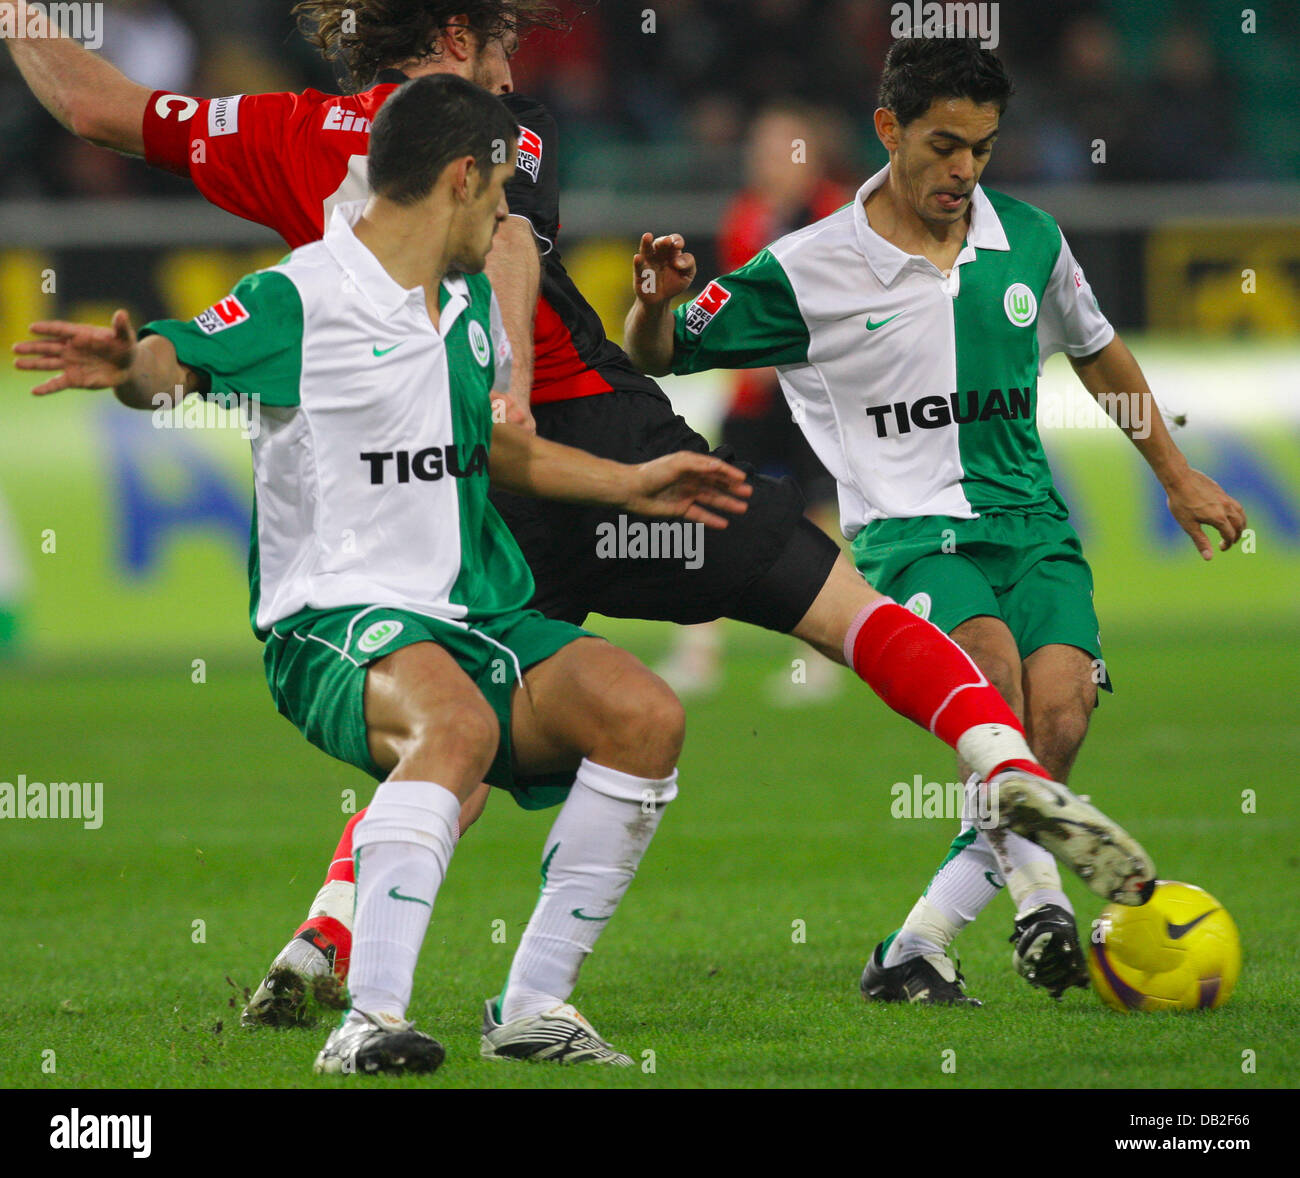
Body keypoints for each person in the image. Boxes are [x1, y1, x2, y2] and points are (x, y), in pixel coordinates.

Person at [4, 3, 1155, 1032]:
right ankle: (994, 751)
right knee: (820, 589)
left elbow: (97, 105)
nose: (514, 81)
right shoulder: (500, 148)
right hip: (568, 428)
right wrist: (513, 381)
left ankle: (335, 933)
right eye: (502, 48)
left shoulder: (278, 134)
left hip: (472, 485)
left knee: (456, 714)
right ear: (457, 45)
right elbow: (504, 247)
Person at [14, 74, 757, 1074]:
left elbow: (493, 449)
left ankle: (534, 1002)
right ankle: (369, 1019)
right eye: (500, 198)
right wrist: (132, 365)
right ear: (461, 178)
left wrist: (629, 482)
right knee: (456, 726)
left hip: (467, 613)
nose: (507, 220)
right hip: (330, 619)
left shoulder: (462, 313)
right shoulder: (301, 294)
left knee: (643, 714)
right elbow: (178, 363)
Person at [624, 35, 1244, 1005]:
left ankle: (916, 943)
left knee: (1058, 718)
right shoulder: (810, 268)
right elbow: (662, 351)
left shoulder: (1029, 238)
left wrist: (1174, 473)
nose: (963, 170)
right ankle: (1042, 902)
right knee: (989, 682)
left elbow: (1096, 348)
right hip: (909, 532)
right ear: (888, 129)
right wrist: (652, 306)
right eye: (944, 145)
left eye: (982, 149)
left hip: (1031, 524)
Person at [656, 100, 851, 703]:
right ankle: (698, 649)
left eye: (779, 149)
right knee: (710, 502)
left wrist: (787, 351)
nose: (766, 161)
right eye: (760, 149)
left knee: (819, 517)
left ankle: (824, 655)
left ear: (809, 156)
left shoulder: (837, 213)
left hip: (813, 394)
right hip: (752, 393)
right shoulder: (744, 215)